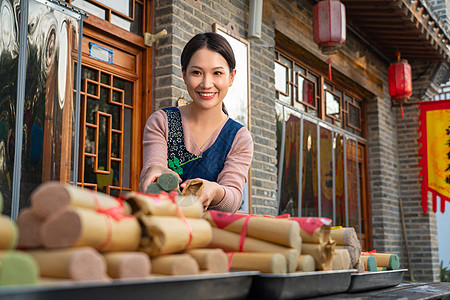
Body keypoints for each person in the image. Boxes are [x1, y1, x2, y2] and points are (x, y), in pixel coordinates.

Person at [138, 32, 253, 212]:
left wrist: (216, 191)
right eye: (196, 72)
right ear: (184, 75)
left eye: (217, 73)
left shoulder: (239, 137)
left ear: (231, 77)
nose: (206, 84)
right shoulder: (162, 122)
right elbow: (155, 165)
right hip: (161, 229)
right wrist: (153, 172)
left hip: (211, 235)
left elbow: (234, 197)